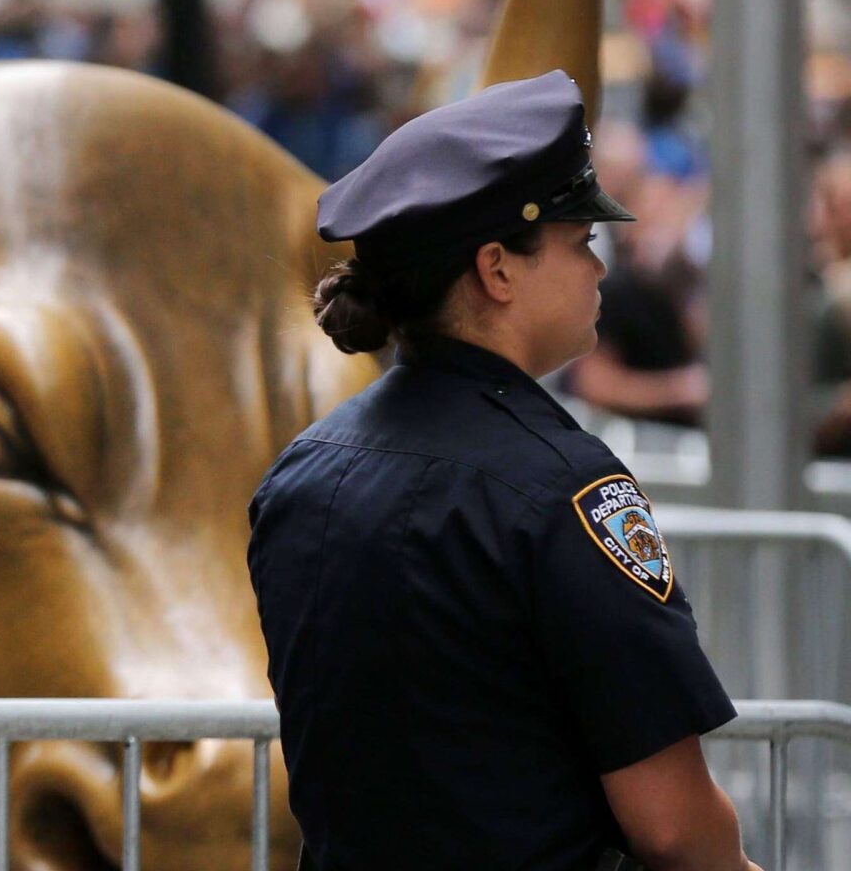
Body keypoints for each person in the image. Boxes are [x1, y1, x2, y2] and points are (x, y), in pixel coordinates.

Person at [249, 71, 756, 871]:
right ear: (497, 269)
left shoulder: (299, 476)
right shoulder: (567, 490)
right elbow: (675, 826)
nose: (598, 270)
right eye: (580, 242)